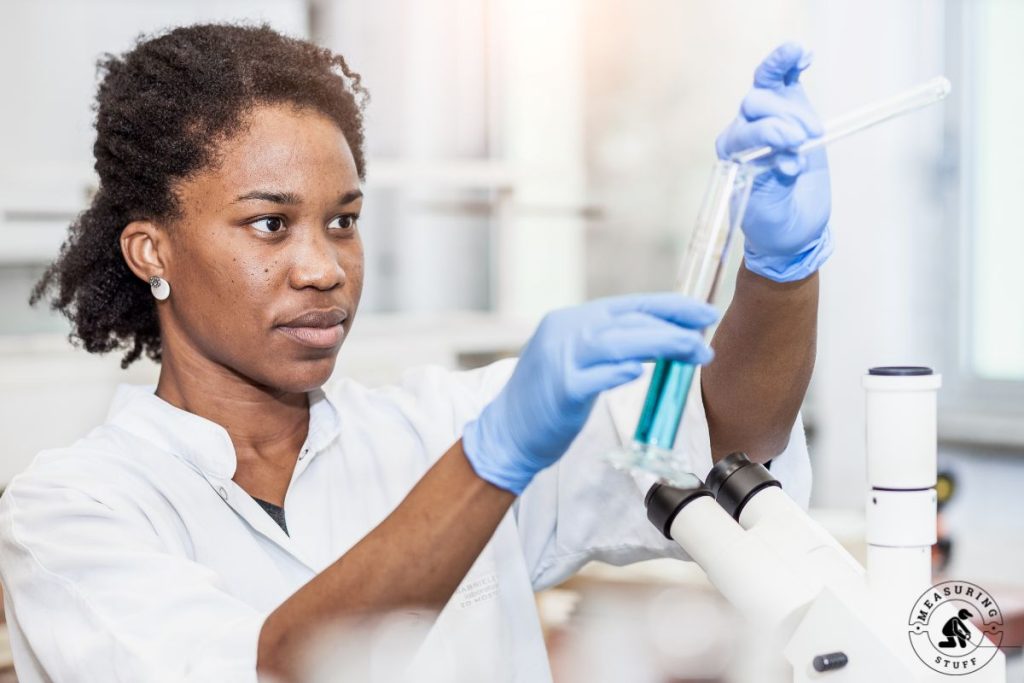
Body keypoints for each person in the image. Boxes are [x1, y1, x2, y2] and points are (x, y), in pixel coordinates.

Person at [0, 24, 830, 683]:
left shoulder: (439, 423)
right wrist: (489, 461)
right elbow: (268, 670)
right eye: (269, 224)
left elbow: (728, 441)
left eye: (344, 221)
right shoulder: (74, 510)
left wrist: (779, 273)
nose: (323, 268)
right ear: (151, 251)